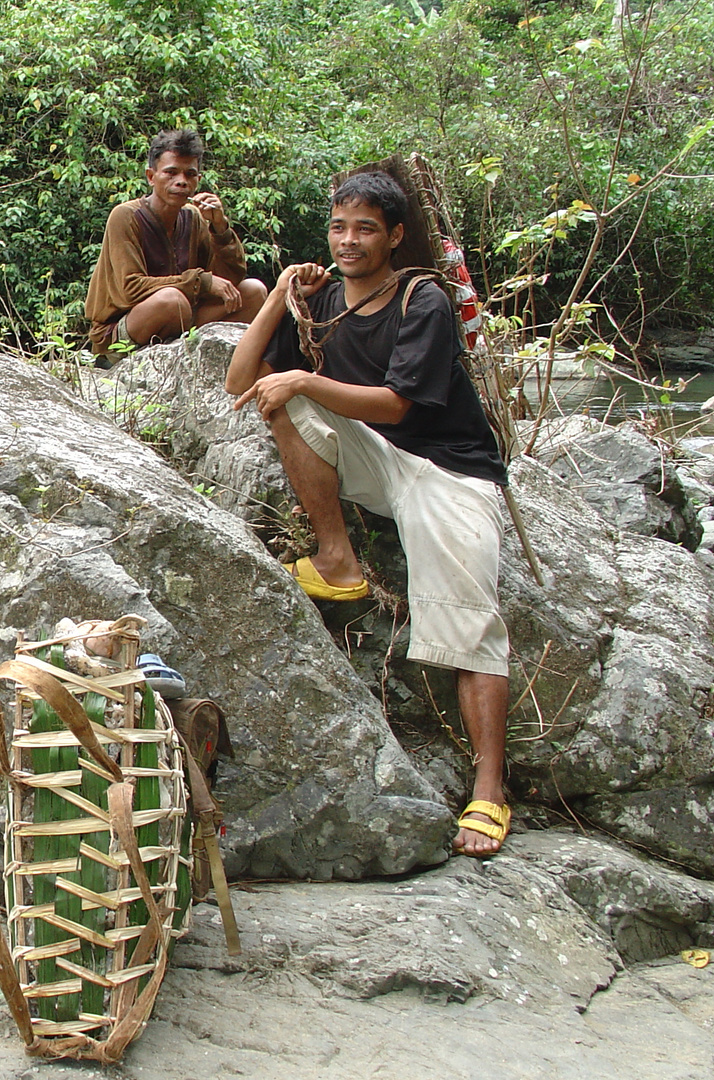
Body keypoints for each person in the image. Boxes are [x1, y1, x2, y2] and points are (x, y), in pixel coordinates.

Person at [224, 170, 512, 857]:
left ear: (394, 236)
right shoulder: (322, 307)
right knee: (279, 394)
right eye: (338, 226)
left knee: (468, 618)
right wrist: (280, 302)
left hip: (447, 470)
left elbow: (398, 405)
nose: (348, 241)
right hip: (376, 463)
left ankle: (490, 789)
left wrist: (304, 376)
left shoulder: (423, 299)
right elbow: (240, 383)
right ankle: (337, 559)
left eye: (365, 229)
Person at [85, 130, 268, 358]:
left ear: (198, 180)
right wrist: (199, 282)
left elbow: (230, 282)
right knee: (172, 301)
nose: (181, 181)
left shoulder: (194, 217)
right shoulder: (125, 216)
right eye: (171, 173)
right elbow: (129, 290)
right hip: (124, 331)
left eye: (189, 174)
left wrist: (220, 229)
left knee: (254, 292)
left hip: (183, 320)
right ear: (151, 176)